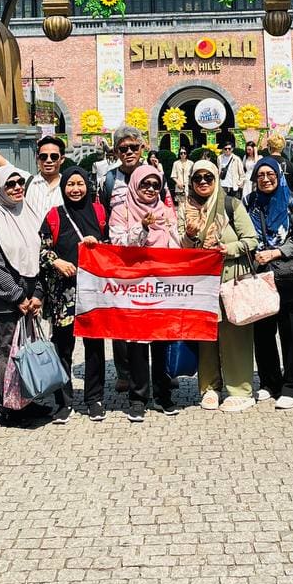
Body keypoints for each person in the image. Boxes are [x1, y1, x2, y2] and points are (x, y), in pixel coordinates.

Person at [179, 159, 259, 411]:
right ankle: (209, 387)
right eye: (197, 178)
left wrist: (229, 249)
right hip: (202, 282)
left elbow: (251, 240)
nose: (203, 182)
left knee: (235, 335)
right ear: (191, 182)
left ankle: (240, 390)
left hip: (231, 277)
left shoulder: (231, 205)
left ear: (216, 179)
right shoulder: (184, 209)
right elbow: (180, 248)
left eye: (208, 177)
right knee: (206, 336)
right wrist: (190, 235)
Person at [101, 124, 173, 392]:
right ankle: (125, 372)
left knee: (159, 313)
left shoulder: (155, 175)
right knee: (123, 317)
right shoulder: (109, 180)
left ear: (142, 148)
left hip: (156, 257)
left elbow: (168, 208)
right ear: (116, 151)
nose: (129, 152)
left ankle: (163, 372)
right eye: (123, 148)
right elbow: (104, 214)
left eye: (134, 147)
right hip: (124, 257)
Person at [0, 165, 46, 426]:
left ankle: (28, 400)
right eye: (10, 184)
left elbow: (39, 256)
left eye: (20, 183)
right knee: (7, 352)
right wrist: (18, 297)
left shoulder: (28, 214)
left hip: (30, 300)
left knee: (28, 350)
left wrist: (37, 292)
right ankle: (10, 407)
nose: (18, 187)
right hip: (7, 302)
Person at [109, 165, 180, 419]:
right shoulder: (121, 210)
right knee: (136, 343)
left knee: (162, 340)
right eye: (145, 184)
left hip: (161, 283)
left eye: (155, 185)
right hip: (134, 284)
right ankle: (138, 397)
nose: (150, 189)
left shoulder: (166, 210)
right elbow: (118, 245)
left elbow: (176, 244)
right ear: (135, 184)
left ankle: (163, 394)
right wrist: (142, 227)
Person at [40, 167, 109, 422]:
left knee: (94, 346)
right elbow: (42, 250)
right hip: (63, 294)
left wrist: (98, 246)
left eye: (80, 184)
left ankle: (94, 399)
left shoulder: (99, 213)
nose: (76, 189)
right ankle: (63, 401)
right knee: (63, 347)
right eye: (70, 184)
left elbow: (113, 247)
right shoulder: (54, 215)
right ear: (63, 188)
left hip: (93, 291)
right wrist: (56, 261)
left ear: (87, 186)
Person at [246, 156, 293, 409]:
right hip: (261, 278)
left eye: (270, 174)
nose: (265, 179)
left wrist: (275, 252)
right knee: (263, 334)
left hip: (290, 277)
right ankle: (269, 382)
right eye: (260, 175)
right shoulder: (249, 203)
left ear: (279, 176)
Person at [0, 108, 66, 228]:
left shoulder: (69, 187)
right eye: (43, 156)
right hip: (31, 239)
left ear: (62, 159)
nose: (48, 160)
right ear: (37, 158)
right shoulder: (26, 182)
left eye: (54, 156)